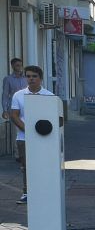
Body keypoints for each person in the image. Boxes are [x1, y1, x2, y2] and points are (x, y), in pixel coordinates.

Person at [9, 65, 55, 204]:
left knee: (44, 165)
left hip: (45, 138)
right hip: (24, 138)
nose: (31, 79)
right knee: (26, 167)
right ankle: (26, 193)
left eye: (34, 76)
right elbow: (15, 116)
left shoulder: (49, 96)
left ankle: (44, 192)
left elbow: (54, 117)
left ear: (40, 78)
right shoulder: (19, 95)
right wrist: (28, 131)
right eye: (28, 76)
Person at [2, 58, 28, 123]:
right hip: (13, 106)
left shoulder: (26, 78)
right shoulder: (8, 79)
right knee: (15, 126)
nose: (20, 67)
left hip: (26, 105)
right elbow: (5, 95)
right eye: (17, 65)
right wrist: (5, 110)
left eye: (21, 65)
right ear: (12, 66)